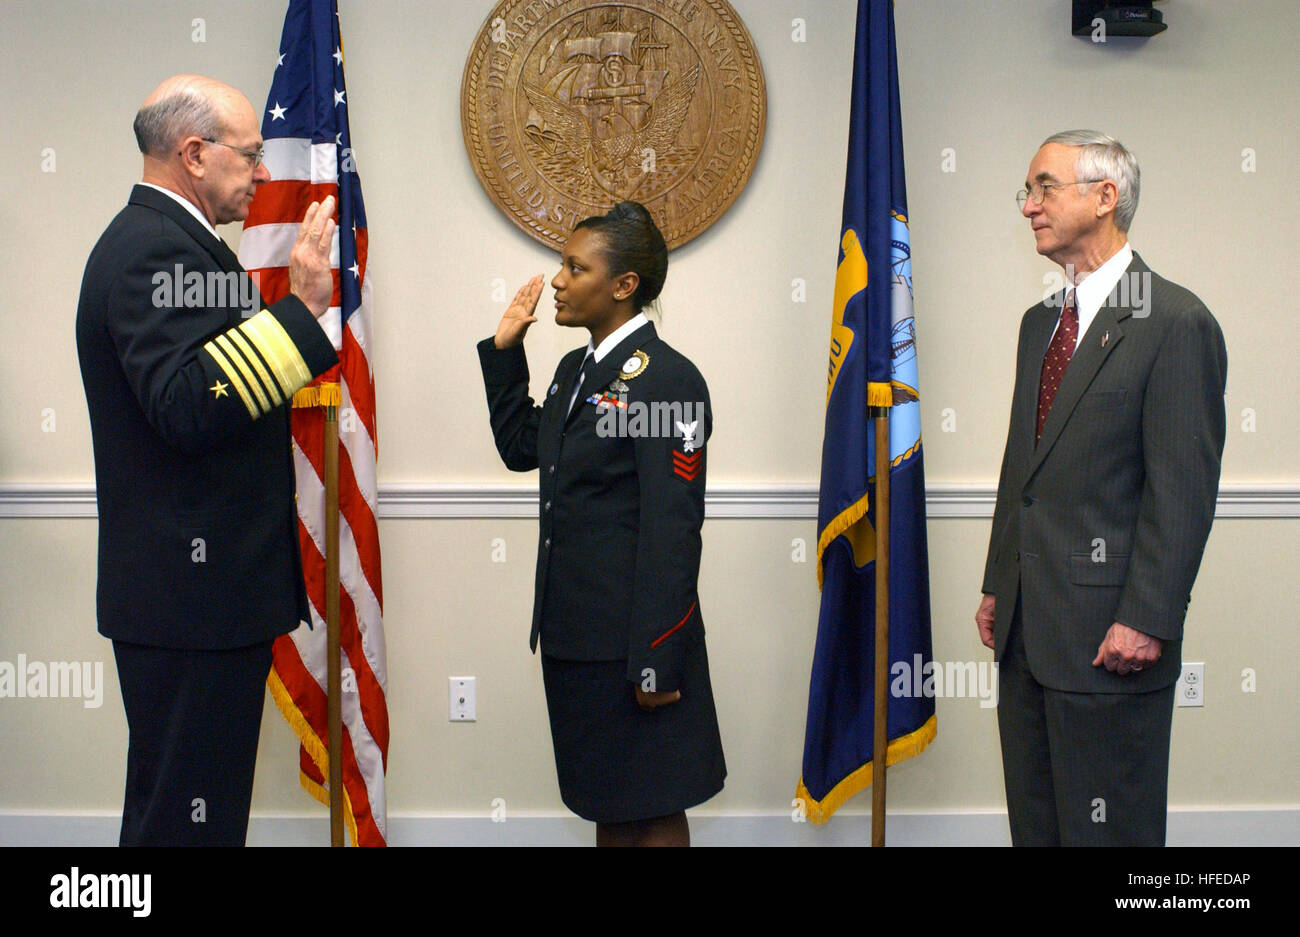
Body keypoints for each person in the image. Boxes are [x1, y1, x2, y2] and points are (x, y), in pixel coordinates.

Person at [76, 74, 340, 845]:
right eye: (251, 156)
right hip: (190, 600)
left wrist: (296, 315)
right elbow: (189, 407)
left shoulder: (173, 243)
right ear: (194, 153)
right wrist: (300, 312)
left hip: (197, 597)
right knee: (187, 823)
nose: (261, 174)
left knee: (184, 810)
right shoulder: (154, 249)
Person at [976, 130, 1227, 846]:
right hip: (1027, 633)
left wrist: (1147, 617)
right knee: (1040, 829)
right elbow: (1021, 469)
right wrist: (1000, 581)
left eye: (1043, 187)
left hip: (1110, 641)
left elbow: (1182, 490)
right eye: (1026, 191)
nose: (1029, 206)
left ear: (1105, 195)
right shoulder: (1039, 325)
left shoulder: (1176, 321)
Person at [477, 201, 726, 846]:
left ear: (623, 286)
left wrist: (656, 659)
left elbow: (674, 532)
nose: (557, 280)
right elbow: (522, 448)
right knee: (611, 805)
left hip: (630, 646)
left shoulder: (666, 380)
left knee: (653, 806)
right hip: (576, 639)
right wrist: (506, 352)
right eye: (561, 264)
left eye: (575, 267)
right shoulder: (574, 372)